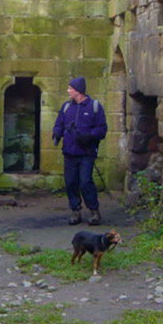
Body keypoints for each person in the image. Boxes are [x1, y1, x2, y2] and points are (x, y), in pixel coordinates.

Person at [52, 76, 107, 226]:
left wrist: (89, 137)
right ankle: (75, 210)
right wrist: (57, 133)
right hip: (69, 152)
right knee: (70, 182)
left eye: (70, 88)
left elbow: (102, 129)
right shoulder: (66, 107)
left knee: (85, 182)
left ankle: (94, 210)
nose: (68, 91)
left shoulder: (94, 107)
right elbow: (59, 124)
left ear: (78, 91)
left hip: (86, 152)